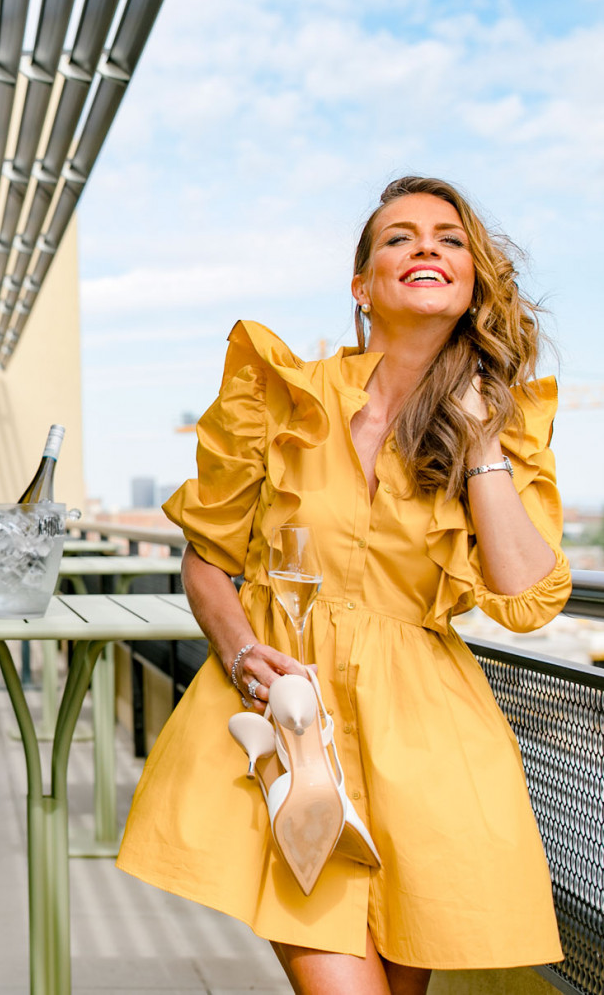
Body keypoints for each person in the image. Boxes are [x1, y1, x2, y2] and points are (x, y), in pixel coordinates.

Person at [116, 177, 571, 995]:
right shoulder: (279, 395)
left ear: (472, 284)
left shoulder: (502, 421)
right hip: (291, 730)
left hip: (425, 744)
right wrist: (244, 651)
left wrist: (479, 441)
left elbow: (527, 597)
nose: (427, 246)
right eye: (399, 237)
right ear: (362, 286)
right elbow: (208, 558)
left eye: (450, 238)